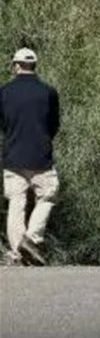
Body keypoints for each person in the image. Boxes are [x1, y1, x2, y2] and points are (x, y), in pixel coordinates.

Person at [0, 48, 61, 267]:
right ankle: (32, 238)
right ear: (34, 66)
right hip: (40, 156)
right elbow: (54, 124)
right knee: (48, 195)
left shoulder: (4, 92)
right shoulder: (48, 92)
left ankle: (17, 252)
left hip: (13, 156)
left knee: (16, 202)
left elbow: (2, 124)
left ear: (16, 65)